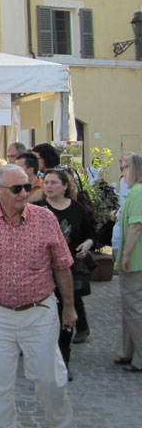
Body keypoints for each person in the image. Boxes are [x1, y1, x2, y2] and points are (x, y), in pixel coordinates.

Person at [0, 164, 75, 428]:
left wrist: (68, 306)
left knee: (50, 379)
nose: (24, 193)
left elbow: (62, 265)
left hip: (40, 312)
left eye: (26, 186)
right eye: (16, 188)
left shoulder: (45, 219)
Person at [38, 169, 95, 357]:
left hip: (68, 269)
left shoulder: (77, 209)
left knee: (65, 310)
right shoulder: (37, 209)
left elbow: (90, 235)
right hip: (41, 271)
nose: (49, 186)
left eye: (54, 182)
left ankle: (63, 354)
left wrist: (86, 245)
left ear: (65, 186)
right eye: (46, 182)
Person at [116, 152, 142, 372]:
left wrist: (125, 254)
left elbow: (136, 225)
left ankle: (139, 357)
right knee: (129, 308)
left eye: (124, 168)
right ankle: (127, 352)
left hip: (136, 261)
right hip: (134, 261)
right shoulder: (134, 192)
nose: (122, 172)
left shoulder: (139, 192)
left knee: (134, 309)